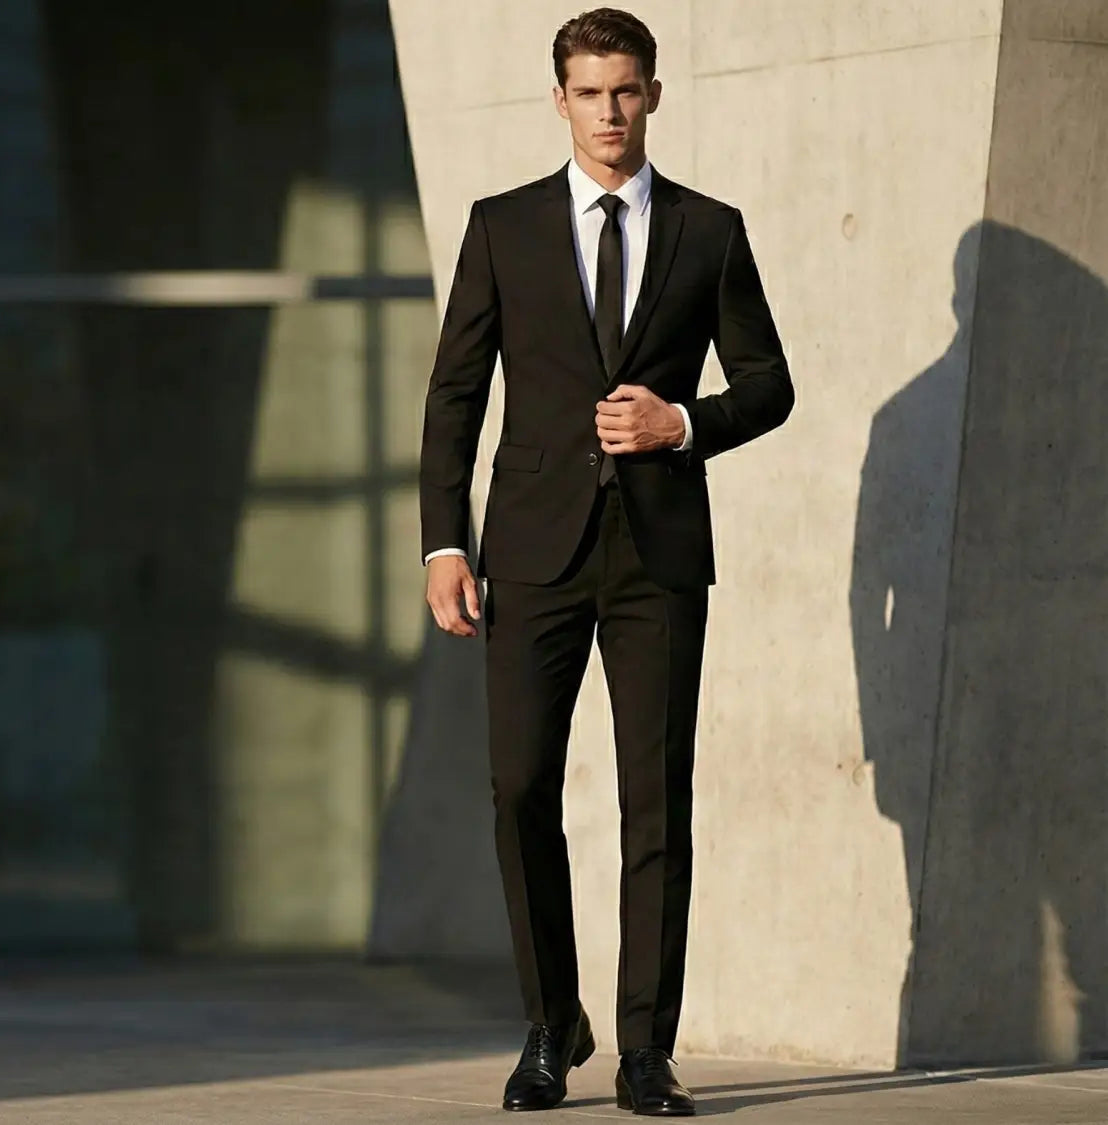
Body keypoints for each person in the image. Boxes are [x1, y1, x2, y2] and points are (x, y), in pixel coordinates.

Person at [418, 7, 793, 1115]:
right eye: (590, 92)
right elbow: (455, 393)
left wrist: (683, 424)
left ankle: (643, 1052)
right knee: (520, 785)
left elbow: (769, 382)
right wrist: (447, 538)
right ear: (560, 100)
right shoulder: (504, 226)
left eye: (627, 90)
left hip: (659, 554)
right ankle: (552, 1026)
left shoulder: (709, 230)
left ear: (655, 94)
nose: (610, 112)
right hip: (531, 547)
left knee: (654, 801)